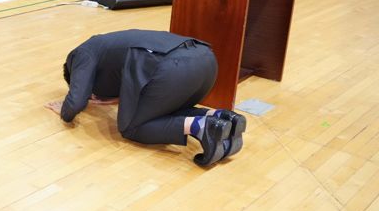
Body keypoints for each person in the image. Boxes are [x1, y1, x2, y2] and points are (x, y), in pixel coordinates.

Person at [46, 30, 247, 167]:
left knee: (131, 126)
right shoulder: (109, 43)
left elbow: (76, 101)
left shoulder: (81, 53)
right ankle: (221, 118)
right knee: (166, 110)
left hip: (172, 68)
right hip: (205, 59)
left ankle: (200, 126)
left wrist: (65, 109)